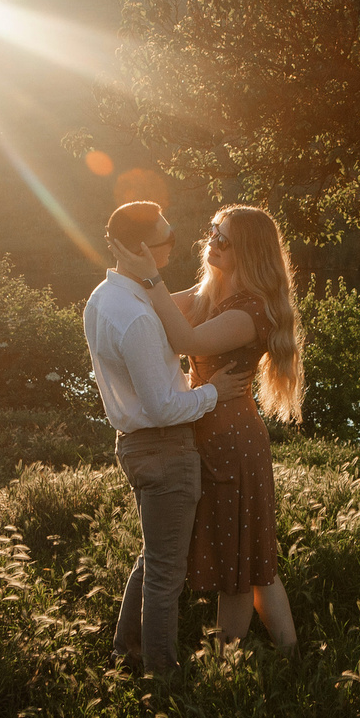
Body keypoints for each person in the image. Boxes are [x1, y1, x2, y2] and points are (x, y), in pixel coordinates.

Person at [113, 203, 301, 655]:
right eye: (213, 231)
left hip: (233, 440)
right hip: (202, 428)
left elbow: (187, 341)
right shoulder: (208, 293)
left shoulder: (250, 311)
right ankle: (274, 657)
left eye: (225, 239)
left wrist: (152, 279)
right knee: (241, 554)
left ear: (249, 252)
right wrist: (126, 277)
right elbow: (153, 317)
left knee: (243, 558)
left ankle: (234, 661)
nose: (211, 242)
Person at [84, 200, 248, 679]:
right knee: (165, 576)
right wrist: (213, 393)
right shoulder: (134, 317)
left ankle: (126, 651)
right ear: (141, 250)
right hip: (163, 446)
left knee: (152, 558)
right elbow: (159, 407)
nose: (175, 245)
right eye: (167, 240)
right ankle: (162, 675)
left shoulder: (105, 297)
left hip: (137, 446)